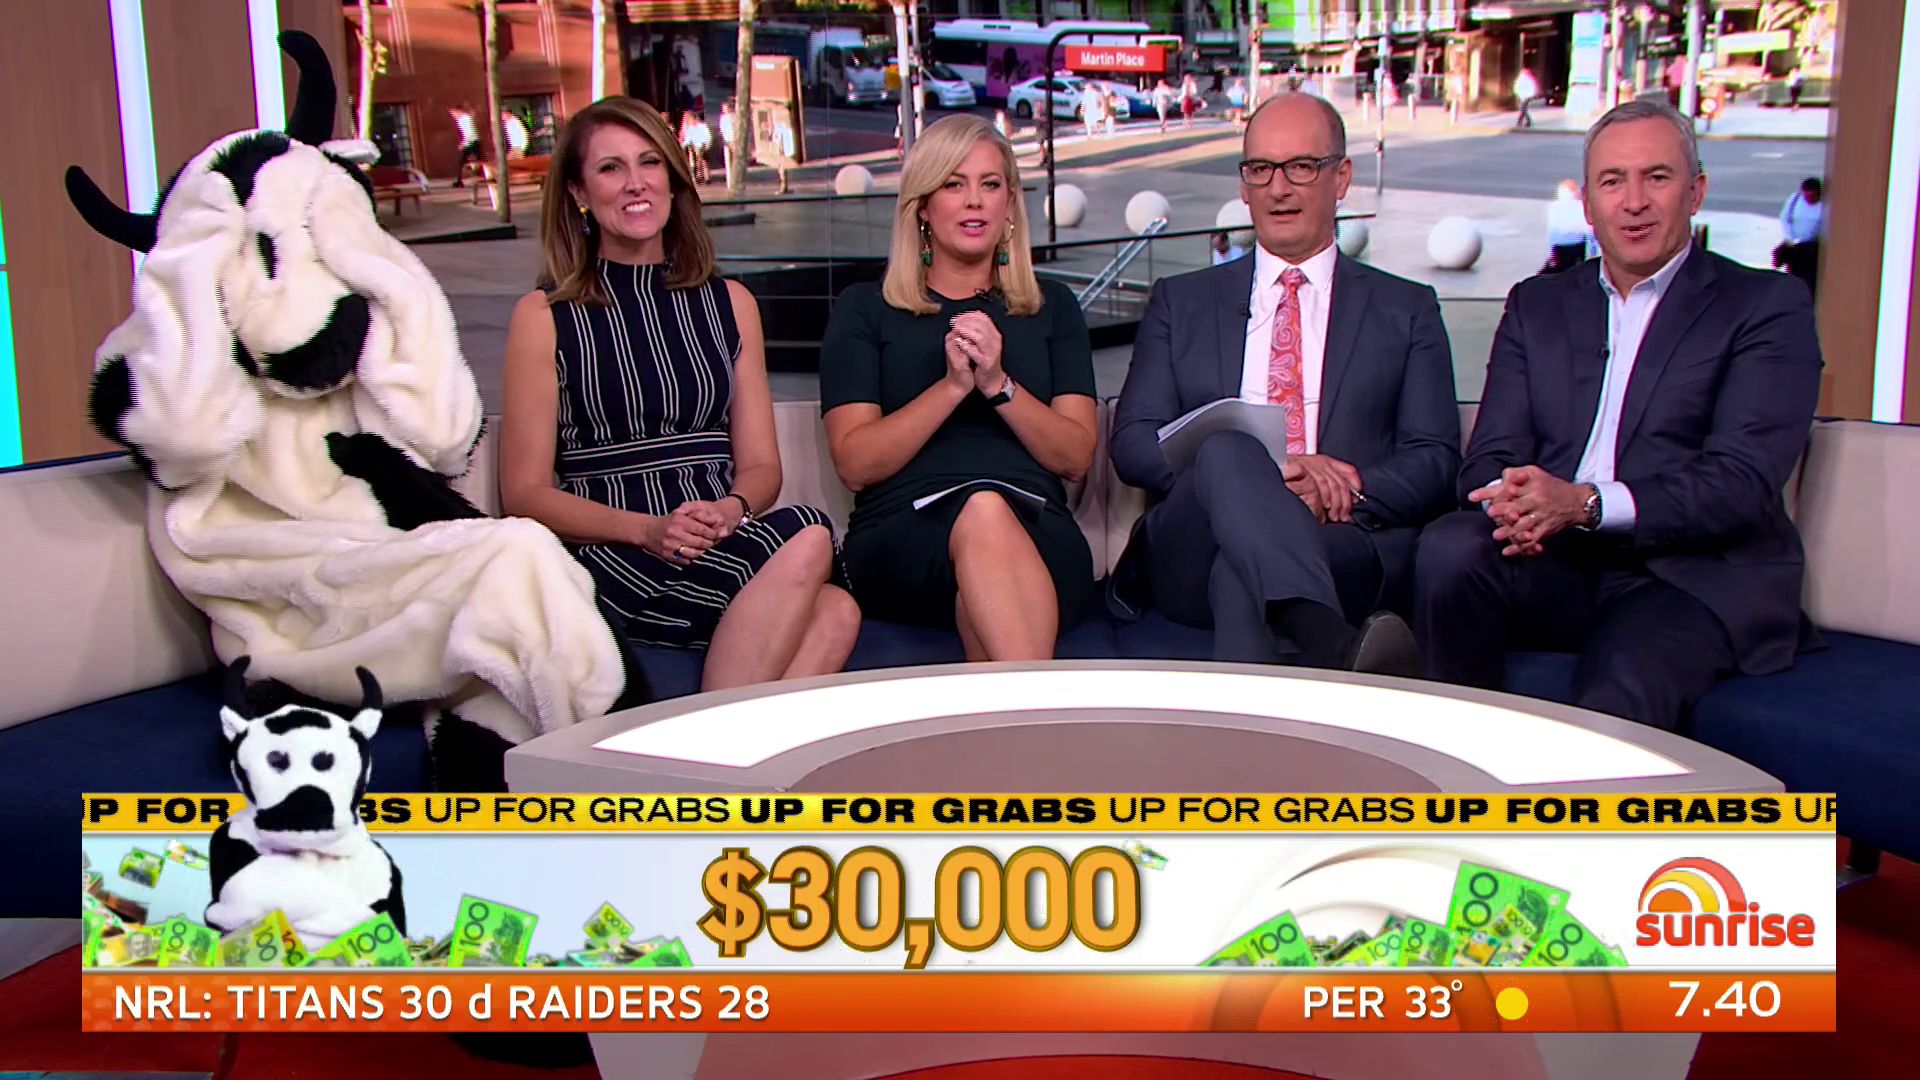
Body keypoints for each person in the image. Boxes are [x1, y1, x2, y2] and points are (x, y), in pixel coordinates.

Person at [1413, 101, 1824, 731]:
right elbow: (1491, 453)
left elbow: (1739, 483)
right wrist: (1517, 503)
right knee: (1450, 548)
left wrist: (1584, 504)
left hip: (1688, 576)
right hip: (1556, 558)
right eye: (1612, 181)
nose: (1634, 202)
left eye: (1656, 177)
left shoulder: (1765, 305)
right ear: (1588, 204)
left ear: (1696, 192)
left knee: (1619, 687)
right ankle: (1458, 758)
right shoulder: (1538, 304)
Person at [499, 97, 860, 693]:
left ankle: (716, 749)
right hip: (616, 547)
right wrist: (647, 530)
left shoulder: (732, 304)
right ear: (579, 192)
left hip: (721, 538)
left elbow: (761, 468)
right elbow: (524, 493)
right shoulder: (543, 316)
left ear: (673, 178)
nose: (636, 183)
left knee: (838, 609)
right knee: (809, 531)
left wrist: (732, 509)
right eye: (611, 168)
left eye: (650, 162)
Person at [1106, 94, 1459, 673]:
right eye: (1260, 169)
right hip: (1190, 543)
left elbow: (1436, 460)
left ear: (1341, 178)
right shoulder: (1181, 301)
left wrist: (1345, 488)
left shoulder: (1406, 309)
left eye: (1301, 167)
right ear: (1244, 185)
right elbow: (1132, 443)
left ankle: (1311, 640)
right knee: (1228, 449)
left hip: (1337, 540)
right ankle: (1336, 644)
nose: (1278, 188)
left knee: (1242, 570)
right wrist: (1258, 476)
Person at [819, 114, 1099, 661]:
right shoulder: (865, 309)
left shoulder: (1053, 307)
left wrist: (997, 384)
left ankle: (1015, 710)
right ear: (923, 205)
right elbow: (855, 464)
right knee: (983, 511)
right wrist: (952, 387)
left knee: (988, 525)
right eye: (953, 184)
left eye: (990, 184)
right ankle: (1037, 710)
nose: (974, 201)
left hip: (1037, 533)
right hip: (902, 537)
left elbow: (1076, 457)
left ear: (1009, 203)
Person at [1776, 177, 1824, 297]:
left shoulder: (1824, 204)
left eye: (1812, 195)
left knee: (1811, 278)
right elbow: (1785, 217)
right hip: (1795, 245)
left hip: (1814, 247)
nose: (1809, 198)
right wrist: (1789, 237)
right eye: (1806, 195)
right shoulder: (1795, 199)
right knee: (1794, 276)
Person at [1544, 178, 1593, 273]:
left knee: (1558, 273)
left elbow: (1553, 232)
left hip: (1561, 246)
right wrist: (1591, 251)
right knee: (1577, 273)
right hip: (1579, 245)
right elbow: (1589, 230)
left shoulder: (1555, 207)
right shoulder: (1582, 206)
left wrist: (1551, 252)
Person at [450, 106, 482, 186]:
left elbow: (470, 133)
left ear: (459, 111)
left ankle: (460, 180)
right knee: (477, 160)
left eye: (454, 113)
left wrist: (464, 143)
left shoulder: (465, 119)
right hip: (471, 142)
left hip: (471, 142)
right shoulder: (461, 120)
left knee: (463, 161)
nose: (453, 115)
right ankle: (460, 180)